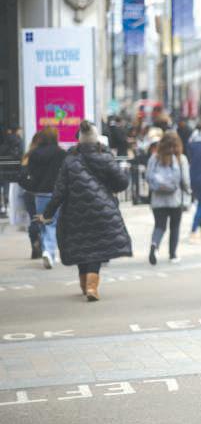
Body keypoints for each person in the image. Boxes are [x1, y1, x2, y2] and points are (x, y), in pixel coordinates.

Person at [40, 121, 131, 301]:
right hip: (102, 210)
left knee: (82, 245)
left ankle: (84, 283)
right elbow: (122, 183)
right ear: (96, 140)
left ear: (79, 141)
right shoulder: (105, 157)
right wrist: (108, 186)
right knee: (96, 248)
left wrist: (48, 213)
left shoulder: (70, 160)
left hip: (74, 212)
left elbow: (59, 191)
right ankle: (92, 286)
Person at [21, 127, 66, 268]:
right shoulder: (61, 153)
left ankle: (47, 250)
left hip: (39, 193)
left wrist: (31, 187)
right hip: (56, 193)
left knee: (43, 222)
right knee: (52, 223)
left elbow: (26, 174)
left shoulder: (34, 154)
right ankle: (49, 251)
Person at [147, 132, 191, 265]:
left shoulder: (154, 158)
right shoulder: (181, 159)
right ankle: (173, 255)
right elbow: (185, 181)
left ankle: (154, 245)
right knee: (175, 227)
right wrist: (188, 191)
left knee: (159, 225)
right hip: (175, 200)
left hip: (158, 200)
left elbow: (148, 177)